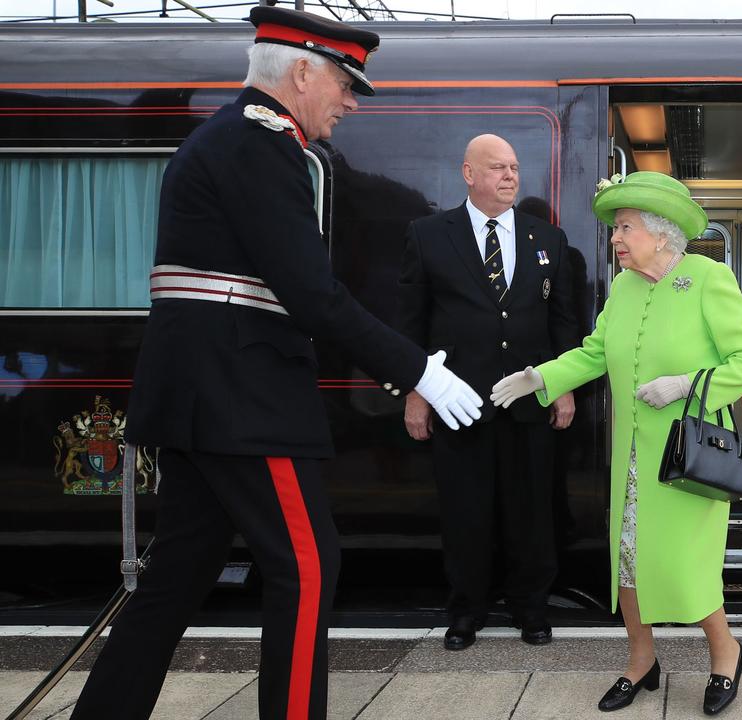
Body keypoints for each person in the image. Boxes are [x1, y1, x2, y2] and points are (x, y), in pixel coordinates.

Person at [68, 8, 483, 720]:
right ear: (300, 72)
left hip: (209, 397)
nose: (350, 102)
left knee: (175, 577)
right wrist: (421, 371)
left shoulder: (228, 140)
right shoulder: (263, 149)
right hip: (245, 402)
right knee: (308, 569)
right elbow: (316, 299)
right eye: (345, 84)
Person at [491, 171, 742, 716]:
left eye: (624, 228)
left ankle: (726, 653)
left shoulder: (707, 278)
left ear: (661, 234)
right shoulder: (624, 286)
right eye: (616, 229)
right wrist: (541, 378)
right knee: (628, 562)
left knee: (687, 566)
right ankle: (641, 661)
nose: (614, 239)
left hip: (690, 457)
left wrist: (684, 385)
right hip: (635, 458)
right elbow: (596, 351)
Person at [398, 134, 578, 651]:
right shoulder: (429, 235)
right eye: (497, 167)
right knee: (465, 514)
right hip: (459, 401)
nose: (510, 177)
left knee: (531, 514)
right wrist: (415, 391)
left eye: (515, 168)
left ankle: (531, 609)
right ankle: (466, 612)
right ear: (468, 173)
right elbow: (412, 322)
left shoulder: (548, 238)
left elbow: (562, 323)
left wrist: (562, 386)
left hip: (529, 402)